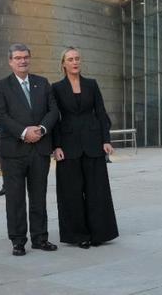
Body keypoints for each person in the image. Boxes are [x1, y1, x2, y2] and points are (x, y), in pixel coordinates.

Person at [0, 43, 60, 256]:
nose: (23, 61)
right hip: (13, 151)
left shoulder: (42, 83)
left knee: (38, 196)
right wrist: (24, 132)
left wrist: (40, 129)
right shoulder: (1, 86)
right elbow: (1, 115)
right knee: (15, 198)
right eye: (18, 58)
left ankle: (40, 238)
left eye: (26, 57)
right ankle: (18, 240)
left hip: (39, 150)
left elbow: (53, 111)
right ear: (10, 61)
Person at [52, 47, 119, 249]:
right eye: (70, 59)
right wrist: (56, 146)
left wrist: (106, 140)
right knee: (70, 193)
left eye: (77, 58)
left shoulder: (91, 84)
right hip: (68, 145)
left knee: (97, 191)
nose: (75, 62)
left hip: (93, 143)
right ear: (63, 64)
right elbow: (55, 118)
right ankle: (78, 235)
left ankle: (100, 233)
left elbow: (101, 112)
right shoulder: (55, 88)